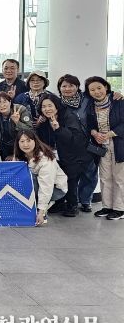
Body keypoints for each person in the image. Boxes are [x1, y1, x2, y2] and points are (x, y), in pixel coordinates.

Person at [38, 93, 90, 216]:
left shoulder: (68, 116)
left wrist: (59, 129)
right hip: (55, 155)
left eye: (50, 106)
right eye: (43, 107)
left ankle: (72, 205)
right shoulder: (44, 120)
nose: (47, 109)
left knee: (70, 180)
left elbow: (76, 139)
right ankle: (59, 203)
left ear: (56, 106)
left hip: (73, 155)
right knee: (56, 178)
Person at [57, 74, 102, 212]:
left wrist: (115, 94)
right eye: (64, 86)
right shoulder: (58, 104)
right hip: (68, 145)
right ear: (59, 88)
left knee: (90, 174)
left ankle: (86, 200)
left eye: (71, 85)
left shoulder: (87, 100)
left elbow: (103, 97)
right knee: (72, 175)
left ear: (77, 87)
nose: (67, 89)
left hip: (89, 143)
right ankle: (73, 201)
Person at [85, 76, 124, 220]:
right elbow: (90, 125)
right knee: (105, 176)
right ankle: (107, 206)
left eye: (99, 88)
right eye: (92, 90)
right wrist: (94, 133)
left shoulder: (118, 101)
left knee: (119, 177)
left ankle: (120, 208)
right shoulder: (90, 105)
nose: (97, 92)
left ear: (106, 87)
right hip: (101, 145)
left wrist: (109, 134)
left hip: (118, 143)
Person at [13, 129, 68, 226]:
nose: (25, 144)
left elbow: (46, 186)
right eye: (22, 141)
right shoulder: (19, 155)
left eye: (28, 140)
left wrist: (41, 212)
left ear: (35, 141)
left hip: (55, 189)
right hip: (38, 186)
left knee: (30, 178)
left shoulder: (46, 159)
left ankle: (42, 208)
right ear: (18, 143)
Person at [14, 70, 55, 147]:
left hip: (47, 134)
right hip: (26, 135)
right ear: (28, 83)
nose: (36, 82)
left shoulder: (52, 97)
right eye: (32, 80)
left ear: (44, 82)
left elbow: (58, 113)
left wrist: (46, 117)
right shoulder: (20, 98)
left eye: (39, 80)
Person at [0, 92, 34, 161]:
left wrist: (17, 122)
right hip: (4, 149)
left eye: (4, 102)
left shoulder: (20, 109)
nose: (2, 105)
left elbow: (30, 131)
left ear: (10, 102)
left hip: (22, 148)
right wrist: (5, 154)